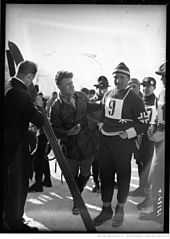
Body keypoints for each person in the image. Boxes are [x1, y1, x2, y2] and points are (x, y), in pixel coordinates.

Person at [93, 62, 147, 227]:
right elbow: (102, 113)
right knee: (105, 175)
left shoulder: (135, 98)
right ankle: (106, 208)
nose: (118, 80)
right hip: (105, 141)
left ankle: (120, 208)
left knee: (123, 176)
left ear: (128, 78)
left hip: (123, 142)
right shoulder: (108, 93)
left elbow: (143, 123)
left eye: (122, 77)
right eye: (115, 77)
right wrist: (100, 124)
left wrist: (129, 133)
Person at [50, 71, 100, 215]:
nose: (72, 86)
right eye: (67, 84)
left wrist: (104, 104)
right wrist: (67, 133)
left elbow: (91, 109)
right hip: (70, 149)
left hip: (88, 147)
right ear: (59, 87)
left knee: (85, 174)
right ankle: (77, 201)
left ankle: (77, 200)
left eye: (72, 83)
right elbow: (54, 130)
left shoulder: (82, 96)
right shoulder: (56, 107)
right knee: (72, 178)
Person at [4, 60, 44, 232]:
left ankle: (8, 219)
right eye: (31, 79)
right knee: (18, 186)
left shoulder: (8, 87)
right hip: (16, 149)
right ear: (28, 76)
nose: (31, 83)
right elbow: (38, 119)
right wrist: (39, 106)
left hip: (7, 147)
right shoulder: (20, 93)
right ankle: (15, 223)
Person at [139, 63, 165, 224]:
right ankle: (157, 213)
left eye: (164, 76)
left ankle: (160, 214)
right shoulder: (162, 94)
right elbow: (157, 114)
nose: (162, 78)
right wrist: (153, 127)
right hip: (159, 140)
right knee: (154, 178)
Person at [129, 77, 157, 201]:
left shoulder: (158, 101)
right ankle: (141, 188)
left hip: (151, 138)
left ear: (154, 87)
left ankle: (149, 194)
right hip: (139, 137)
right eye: (144, 86)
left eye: (149, 86)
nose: (146, 89)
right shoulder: (139, 101)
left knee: (148, 165)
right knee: (139, 163)